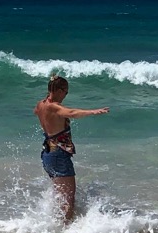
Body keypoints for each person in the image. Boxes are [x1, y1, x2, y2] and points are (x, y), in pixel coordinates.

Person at [34, 75, 109, 223]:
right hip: (58, 155)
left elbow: (36, 111)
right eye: (66, 92)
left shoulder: (41, 105)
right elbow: (72, 113)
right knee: (68, 200)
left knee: (60, 197)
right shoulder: (54, 107)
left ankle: (54, 227)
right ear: (58, 90)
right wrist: (93, 112)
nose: (66, 95)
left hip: (48, 153)